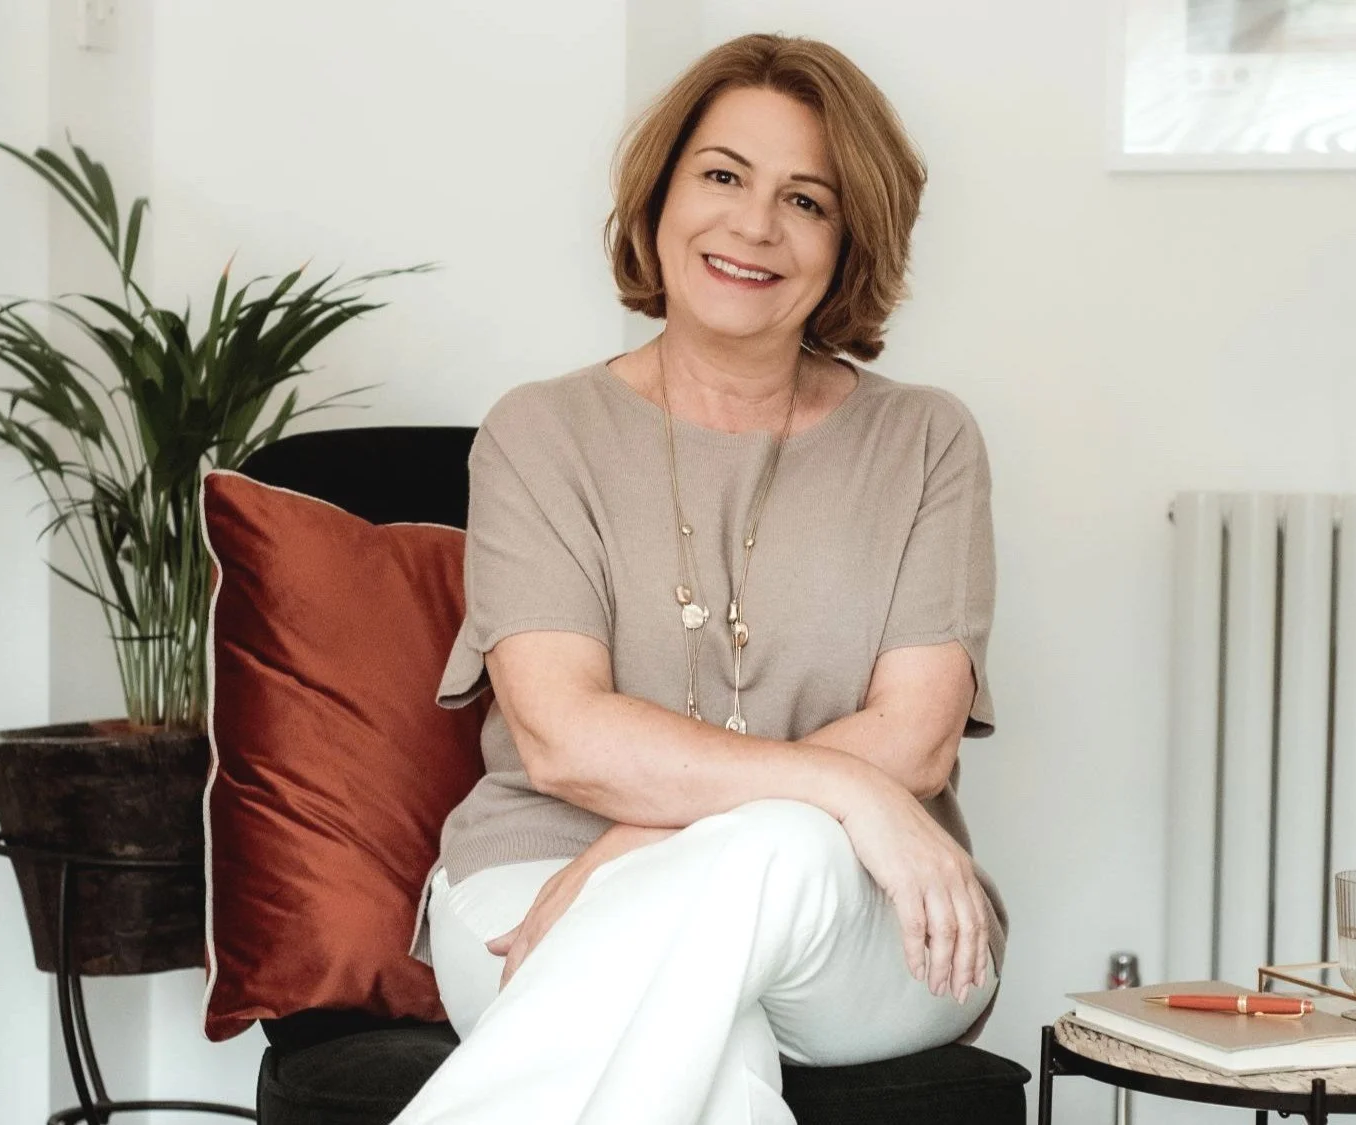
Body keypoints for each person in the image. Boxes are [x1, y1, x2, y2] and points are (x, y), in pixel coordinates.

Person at [393, 32, 1007, 1125]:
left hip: (855, 901)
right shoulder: (539, 432)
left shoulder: (926, 440)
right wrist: (837, 783)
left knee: (776, 845)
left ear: (849, 242)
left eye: (806, 200)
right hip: (531, 882)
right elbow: (565, 739)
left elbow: (913, 742)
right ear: (661, 194)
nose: (755, 225)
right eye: (723, 176)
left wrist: (636, 850)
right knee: (712, 1052)